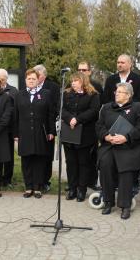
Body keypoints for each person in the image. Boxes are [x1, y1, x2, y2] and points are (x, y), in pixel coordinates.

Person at [96, 82, 140, 219]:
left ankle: (125, 206)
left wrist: (126, 137)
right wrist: (106, 136)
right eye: (116, 92)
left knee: (125, 167)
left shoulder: (138, 107)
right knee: (105, 164)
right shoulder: (107, 108)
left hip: (130, 146)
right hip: (110, 145)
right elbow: (99, 126)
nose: (116, 94)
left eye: (120, 92)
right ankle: (108, 202)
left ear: (129, 95)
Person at [14, 69, 56, 198]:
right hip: (24, 132)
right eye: (28, 79)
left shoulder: (46, 94)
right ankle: (28, 187)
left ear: (38, 80)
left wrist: (51, 131)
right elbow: (15, 115)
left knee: (39, 160)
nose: (31, 81)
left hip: (40, 132)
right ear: (25, 80)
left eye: (33, 79)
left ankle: (38, 187)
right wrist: (15, 134)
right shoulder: (19, 95)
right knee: (26, 160)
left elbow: (51, 114)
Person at [62, 72, 101, 202]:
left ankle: (81, 189)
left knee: (83, 162)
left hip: (85, 134)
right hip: (69, 132)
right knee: (71, 162)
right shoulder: (66, 94)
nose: (73, 83)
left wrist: (78, 119)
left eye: (76, 81)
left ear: (83, 82)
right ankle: (72, 188)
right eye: (72, 81)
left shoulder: (92, 95)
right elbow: (61, 109)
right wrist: (70, 119)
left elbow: (94, 111)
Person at [34, 64, 60, 193]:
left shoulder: (53, 87)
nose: (34, 77)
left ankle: (45, 181)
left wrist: (51, 128)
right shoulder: (30, 85)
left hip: (47, 125)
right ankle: (33, 181)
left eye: (37, 75)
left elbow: (55, 106)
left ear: (43, 75)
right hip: (32, 126)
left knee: (46, 154)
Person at [77, 61, 103, 189]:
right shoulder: (72, 85)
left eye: (84, 70)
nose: (81, 72)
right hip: (75, 126)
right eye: (79, 70)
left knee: (92, 156)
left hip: (91, 126)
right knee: (77, 157)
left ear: (89, 71)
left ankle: (92, 182)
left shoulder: (96, 85)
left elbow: (99, 107)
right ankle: (76, 182)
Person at [0, 68, 18, 187]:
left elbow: (16, 110)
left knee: (9, 155)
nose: (0, 81)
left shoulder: (13, 91)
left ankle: (7, 178)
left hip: (9, 128)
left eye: (2, 78)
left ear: (6, 78)